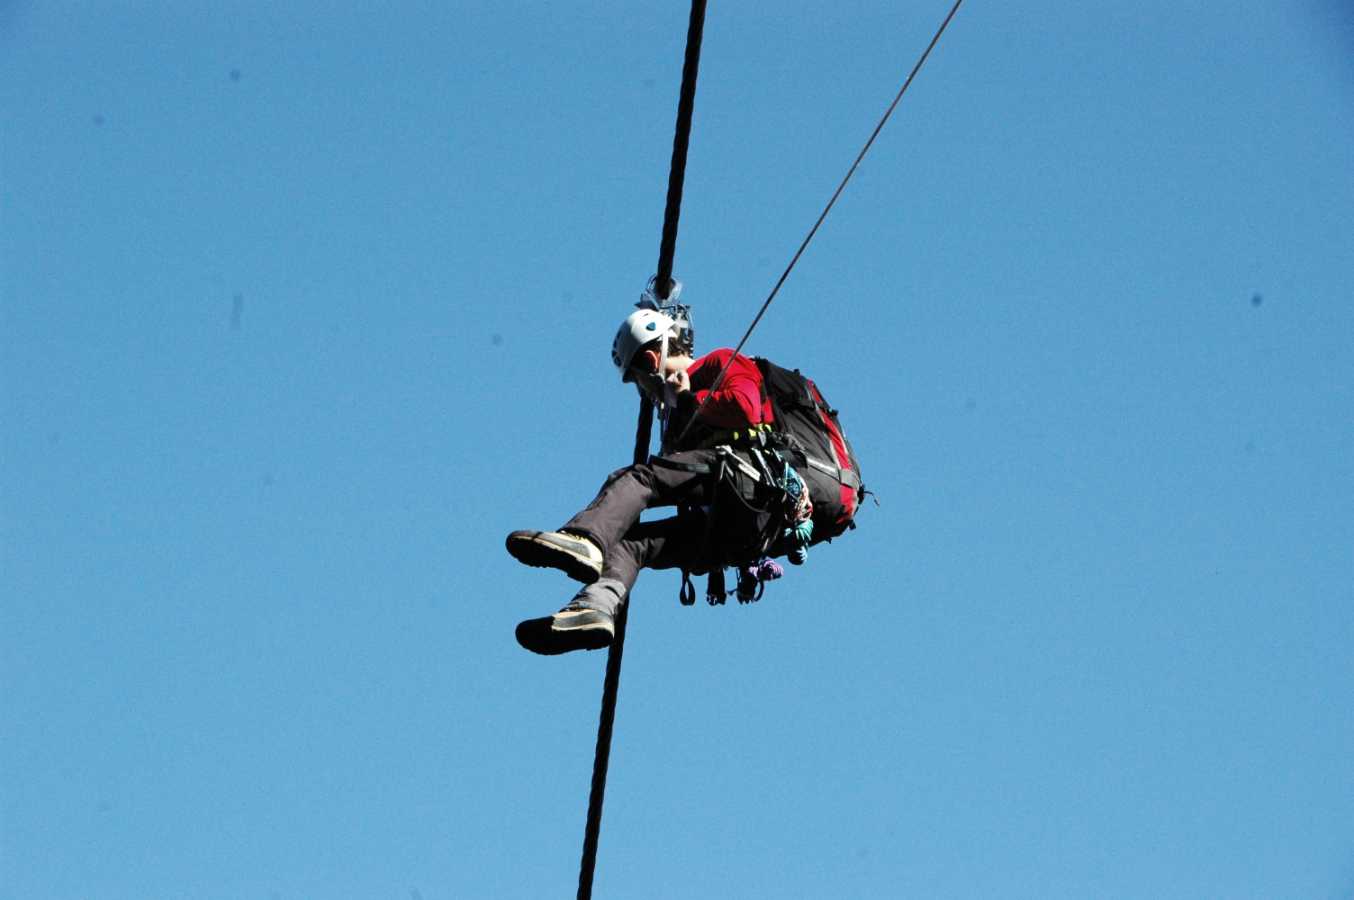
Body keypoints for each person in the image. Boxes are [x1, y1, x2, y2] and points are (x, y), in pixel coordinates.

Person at [507, 306, 783, 656]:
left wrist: (688, 397)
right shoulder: (673, 419)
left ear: (652, 361)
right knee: (629, 545)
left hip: (749, 484)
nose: (642, 390)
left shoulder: (718, 362)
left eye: (638, 379)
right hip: (728, 531)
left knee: (637, 478)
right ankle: (595, 607)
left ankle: (586, 539)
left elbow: (745, 408)